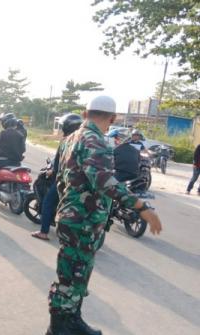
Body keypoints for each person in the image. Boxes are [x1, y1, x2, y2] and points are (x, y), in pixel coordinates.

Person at [46, 95, 163, 335]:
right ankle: (58, 328)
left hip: (77, 218)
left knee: (77, 275)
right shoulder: (94, 140)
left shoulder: (71, 138)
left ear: (86, 113)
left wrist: (69, 206)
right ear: (113, 118)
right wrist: (141, 207)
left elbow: (60, 179)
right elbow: (103, 181)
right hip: (83, 222)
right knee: (71, 277)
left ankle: (72, 320)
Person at [31, 113, 82, 241]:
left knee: (48, 202)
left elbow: (60, 163)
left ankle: (43, 232)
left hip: (65, 180)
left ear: (66, 127)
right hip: (81, 182)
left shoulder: (66, 142)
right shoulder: (82, 141)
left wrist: (51, 173)